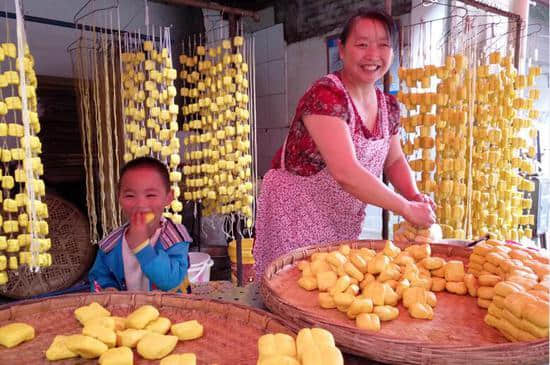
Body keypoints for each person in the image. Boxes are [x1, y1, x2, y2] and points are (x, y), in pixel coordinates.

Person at [253, 8, 436, 279]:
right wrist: (406, 209)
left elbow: (394, 160)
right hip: (296, 213)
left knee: (331, 288)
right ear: (342, 49)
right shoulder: (326, 96)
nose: (373, 55)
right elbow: (346, 172)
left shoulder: (388, 106)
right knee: (293, 288)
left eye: (383, 45)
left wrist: (414, 195)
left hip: (340, 216)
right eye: (361, 44)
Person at [89, 157, 192, 293]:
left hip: (172, 310)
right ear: (119, 198)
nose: (140, 205)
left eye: (150, 195)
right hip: (129, 311)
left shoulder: (174, 238)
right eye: (130, 196)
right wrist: (108, 288)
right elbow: (99, 277)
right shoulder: (110, 245)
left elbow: (172, 281)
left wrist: (142, 247)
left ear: (168, 198)